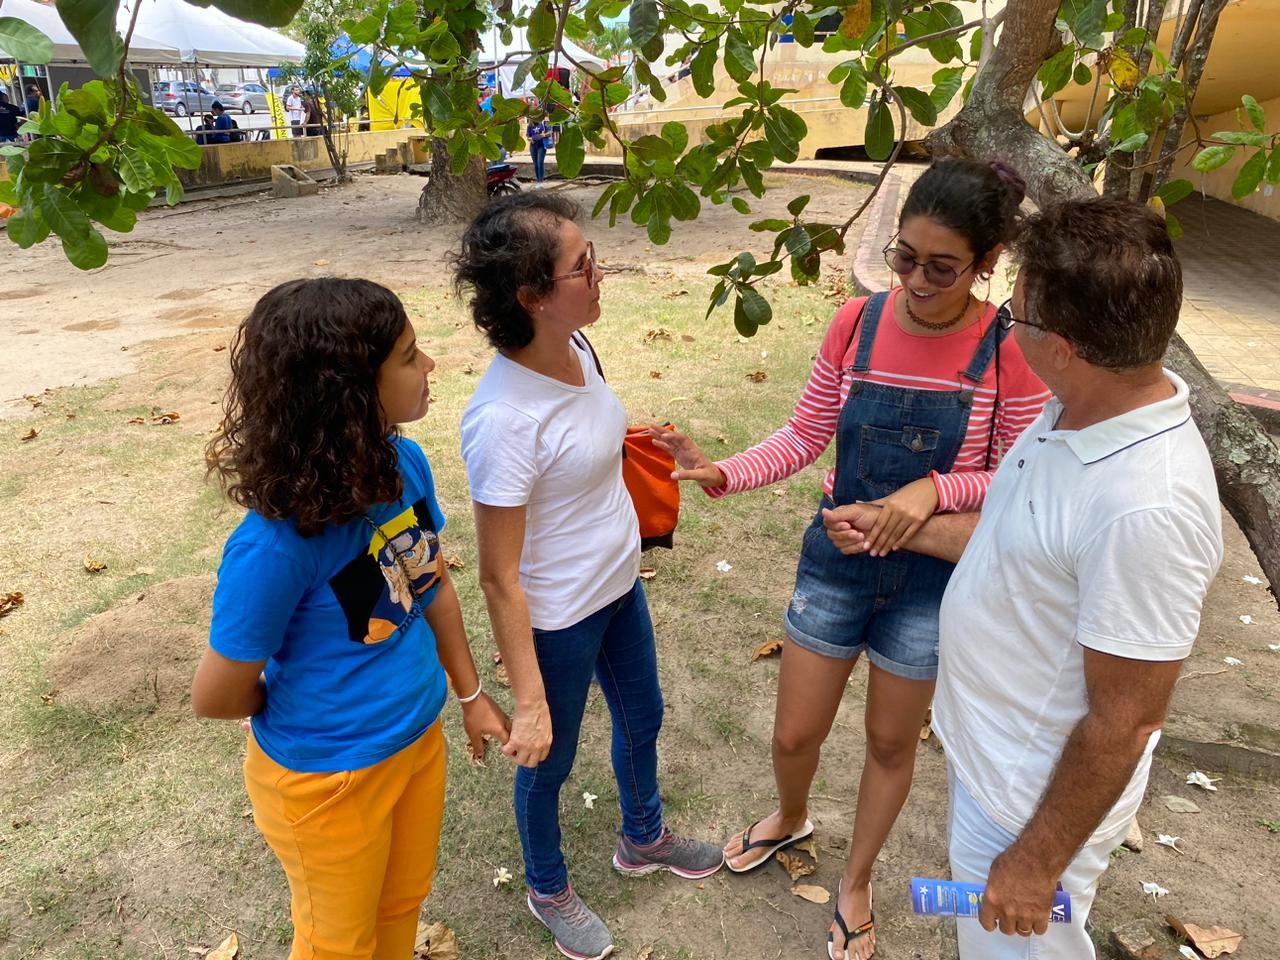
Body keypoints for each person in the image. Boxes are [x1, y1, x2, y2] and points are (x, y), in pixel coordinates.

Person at [650, 158, 1050, 960]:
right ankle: (792, 814)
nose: (918, 281)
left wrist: (929, 491)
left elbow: (1017, 475)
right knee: (796, 733)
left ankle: (856, 879)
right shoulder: (856, 325)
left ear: (987, 263)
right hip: (836, 560)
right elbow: (806, 436)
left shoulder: (1011, 350)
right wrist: (722, 471)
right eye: (905, 258)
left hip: (933, 579)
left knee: (889, 744)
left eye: (944, 267)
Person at [824, 196, 1223, 959]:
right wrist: (898, 525)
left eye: (1018, 315)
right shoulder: (1074, 409)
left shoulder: (1147, 507)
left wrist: (1038, 861)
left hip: (1030, 808)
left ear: (1063, 345)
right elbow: (1020, 541)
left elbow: (1126, 720)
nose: (1006, 321)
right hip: (993, 765)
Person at [191, 278, 511, 960]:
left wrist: (472, 696)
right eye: (409, 356)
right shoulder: (272, 547)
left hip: (418, 744)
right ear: (348, 391)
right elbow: (216, 696)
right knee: (339, 944)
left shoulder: (404, 465)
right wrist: (296, 705)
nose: (429, 367)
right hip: (328, 783)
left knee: (401, 906)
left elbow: (433, 587)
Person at [454, 194, 724, 960]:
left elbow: (583, 452)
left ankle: (643, 838)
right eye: (583, 267)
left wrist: (652, 444)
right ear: (531, 296)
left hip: (619, 586)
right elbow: (499, 577)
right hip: (559, 617)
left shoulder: (579, 349)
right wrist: (528, 701)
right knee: (550, 758)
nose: (601, 274)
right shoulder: (503, 419)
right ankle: (547, 887)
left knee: (645, 718)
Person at [525, 99, 552, 188]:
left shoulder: (544, 122)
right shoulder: (530, 125)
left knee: (540, 162)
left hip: (541, 145)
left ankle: (541, 181)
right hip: (533, 145)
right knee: (535, 163)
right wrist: (529, 139)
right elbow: (528, 135)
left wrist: (543, 135)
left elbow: (550, 132)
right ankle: (538, 180)